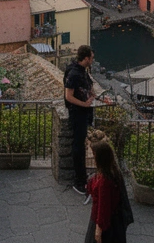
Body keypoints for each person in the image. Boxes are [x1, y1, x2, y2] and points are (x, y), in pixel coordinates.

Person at [85, 139, 133, 243]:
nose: (93, 158)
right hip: (115, 222)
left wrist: (98, 228)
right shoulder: (114, 173)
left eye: (94, 155)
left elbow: (103, 207)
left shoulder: (104, 181)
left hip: (103, 223)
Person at [64, 45, 97, 197]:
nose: (93, 60)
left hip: (83, 113)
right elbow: (68, 96)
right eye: (91, 57)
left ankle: (82, 178)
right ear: (86, 58)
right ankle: (79, 182)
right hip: (77, 114)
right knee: (78, 147)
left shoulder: (82, 71)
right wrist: (84, 104)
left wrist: (91, 93)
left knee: (81, 145)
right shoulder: (74, 73)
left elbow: (86, 86)